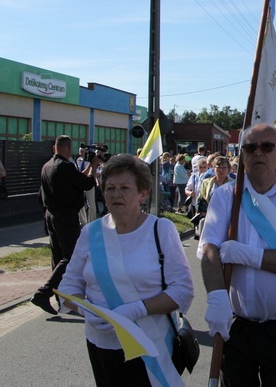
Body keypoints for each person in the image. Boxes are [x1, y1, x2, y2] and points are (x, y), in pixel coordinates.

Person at [198, 123, 276, 386]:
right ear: (241, 154)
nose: (258, 153)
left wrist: (249, 256)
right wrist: (216, 296)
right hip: (236, 323)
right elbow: (209, 248)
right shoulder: (226, 197)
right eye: (250, 147)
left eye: (267, 146)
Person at [58, 154, 194, 386]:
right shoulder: (91, 233)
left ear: (143, 194)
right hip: (101, 345)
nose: (115, 194)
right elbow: (69, 286)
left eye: (124, 187)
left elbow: (182, 291)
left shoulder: (160, 230)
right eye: (109, 187)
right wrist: (84, 309)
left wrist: (136, 310)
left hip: (151, 344)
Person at [31, 136, 101, 315]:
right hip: (66, 216)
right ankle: (44, 292)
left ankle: (60, 297)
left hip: (51, 215)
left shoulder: (48, 166)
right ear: (68, 147)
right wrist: (93, 167)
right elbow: (86, 184)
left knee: (58, 256)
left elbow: (77, 179)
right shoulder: (66, 166)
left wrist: (89, 167)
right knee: (71, 256)